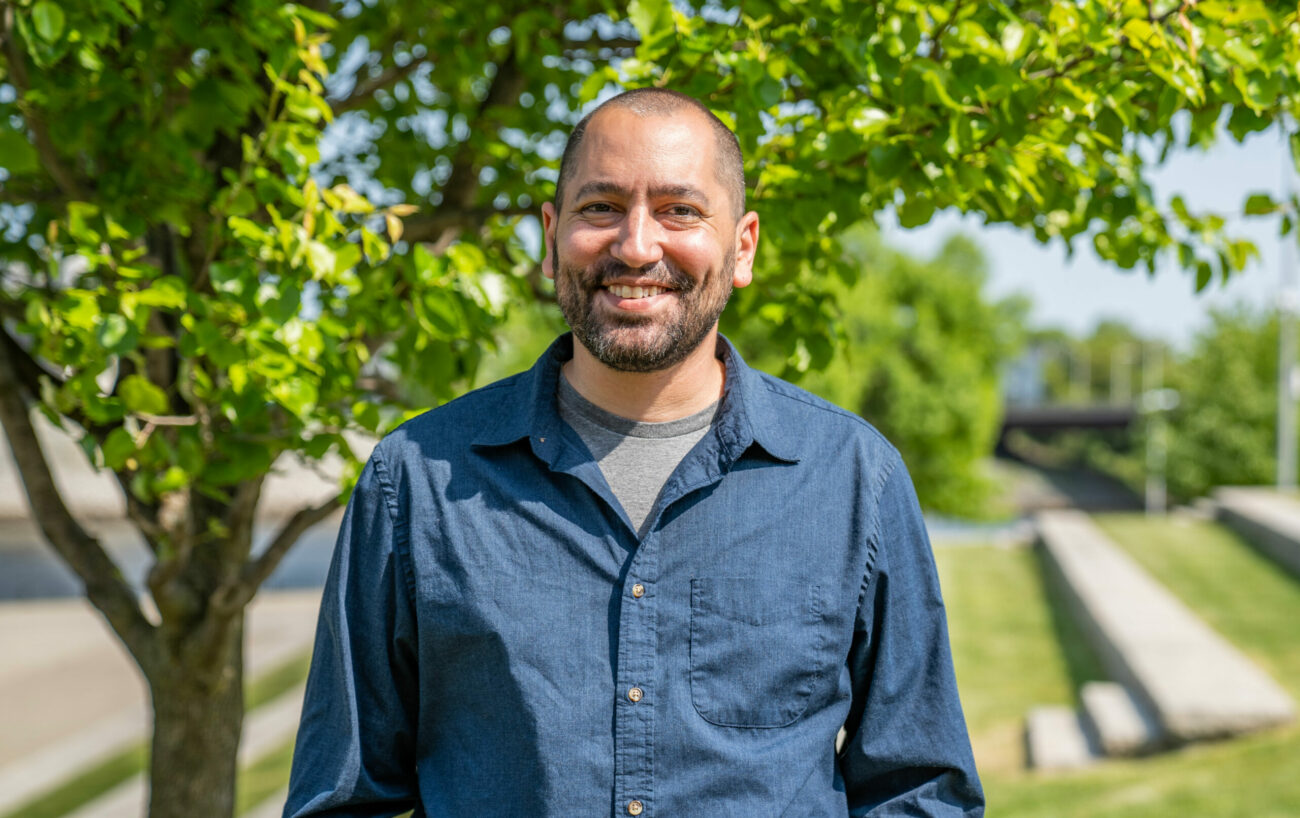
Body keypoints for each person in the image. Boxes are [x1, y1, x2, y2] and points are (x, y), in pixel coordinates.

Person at [284, 88, 984, 817]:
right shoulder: (417, 481)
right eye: (601, 207)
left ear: (741, 246)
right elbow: (343, 798)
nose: (637, 246)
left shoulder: (853, 479)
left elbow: (920, 790)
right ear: (551, 236)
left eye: (680, 210)